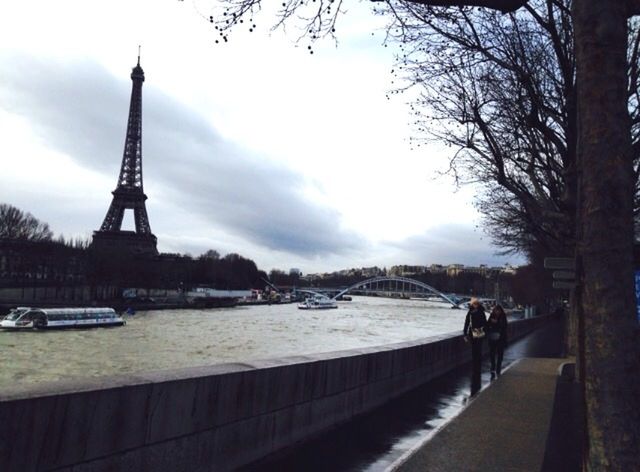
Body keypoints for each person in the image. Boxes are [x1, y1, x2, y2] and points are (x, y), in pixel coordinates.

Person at [463, 298, 487, 379]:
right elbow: (466, 322)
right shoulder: (471, 312)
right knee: (474, 348)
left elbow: (485, 323)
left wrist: (484, 331)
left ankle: (477, 365)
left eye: (476, 304)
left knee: (478, 348)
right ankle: (475, 364)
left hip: (478, 331)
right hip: (473, 331)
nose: (475, 305)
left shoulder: (480, 312)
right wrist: (465, 333)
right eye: (474, 304)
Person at [486, 304, 508, 377]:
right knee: (492, 353)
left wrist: (497, 322)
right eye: (495, 310)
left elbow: (505, 326)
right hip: (492, 337)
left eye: (498, 310)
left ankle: (498, 367)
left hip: (501, 338)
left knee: (500, 353)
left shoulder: (503, 316)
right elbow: (487, 324)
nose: (497, 312)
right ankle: (493, 366)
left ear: (500, 311)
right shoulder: (492, 315)